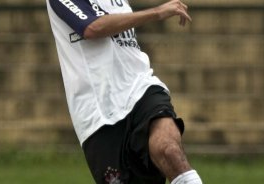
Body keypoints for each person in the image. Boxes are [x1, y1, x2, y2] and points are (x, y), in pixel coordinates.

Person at [46, 0, 203, 183]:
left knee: (169, 150)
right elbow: (92, 27)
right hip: (97, 114)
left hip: (141, 88)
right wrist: (157, 12)